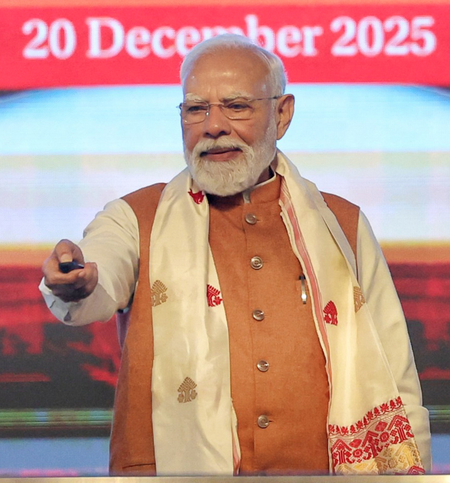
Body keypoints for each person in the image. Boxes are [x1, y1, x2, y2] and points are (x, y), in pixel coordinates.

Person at [40, 34, 431, 476]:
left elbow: (396, 375)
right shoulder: (136, 217)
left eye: (236, 106)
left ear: (282, 115)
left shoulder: (344, 225)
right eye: (196, 109)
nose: (213, 126)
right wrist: (77, 283)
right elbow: (102, 269)